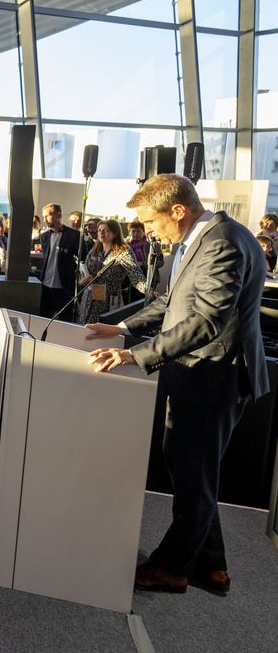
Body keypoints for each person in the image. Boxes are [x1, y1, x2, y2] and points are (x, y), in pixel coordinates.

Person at [86, 174, 269, 596]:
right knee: (194, 469)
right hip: (197, 372)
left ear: (178, 211)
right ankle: (212, 564)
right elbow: (172, 302)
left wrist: (136, 354)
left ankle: (172, 567)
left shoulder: (222, 241)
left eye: (151, 222)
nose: (147, 231)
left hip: (213, 373)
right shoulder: (201, 239)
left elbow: (206, 321)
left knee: (192, 468)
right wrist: (121, 328)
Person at [76, 218, 147, 324]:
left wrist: (148, 290)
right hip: (88, 299)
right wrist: (82, 281)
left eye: (106, 230)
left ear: (115, 233)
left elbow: (136, 276)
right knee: (84, 330)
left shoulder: (123, 252)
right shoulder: (94, 251)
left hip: (108, 301)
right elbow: (83, 274)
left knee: (101, 333)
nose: (101, 233)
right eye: (100, 230)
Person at [38, 202, 80, 321]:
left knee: (65, 321)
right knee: (43, 318)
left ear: (59, 215)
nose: (45, 219)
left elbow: (82, 259)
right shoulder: (44, 236)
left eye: (48, 215)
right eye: (43, 216)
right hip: (46, 285)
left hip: (65, 286)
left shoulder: (74, 235)